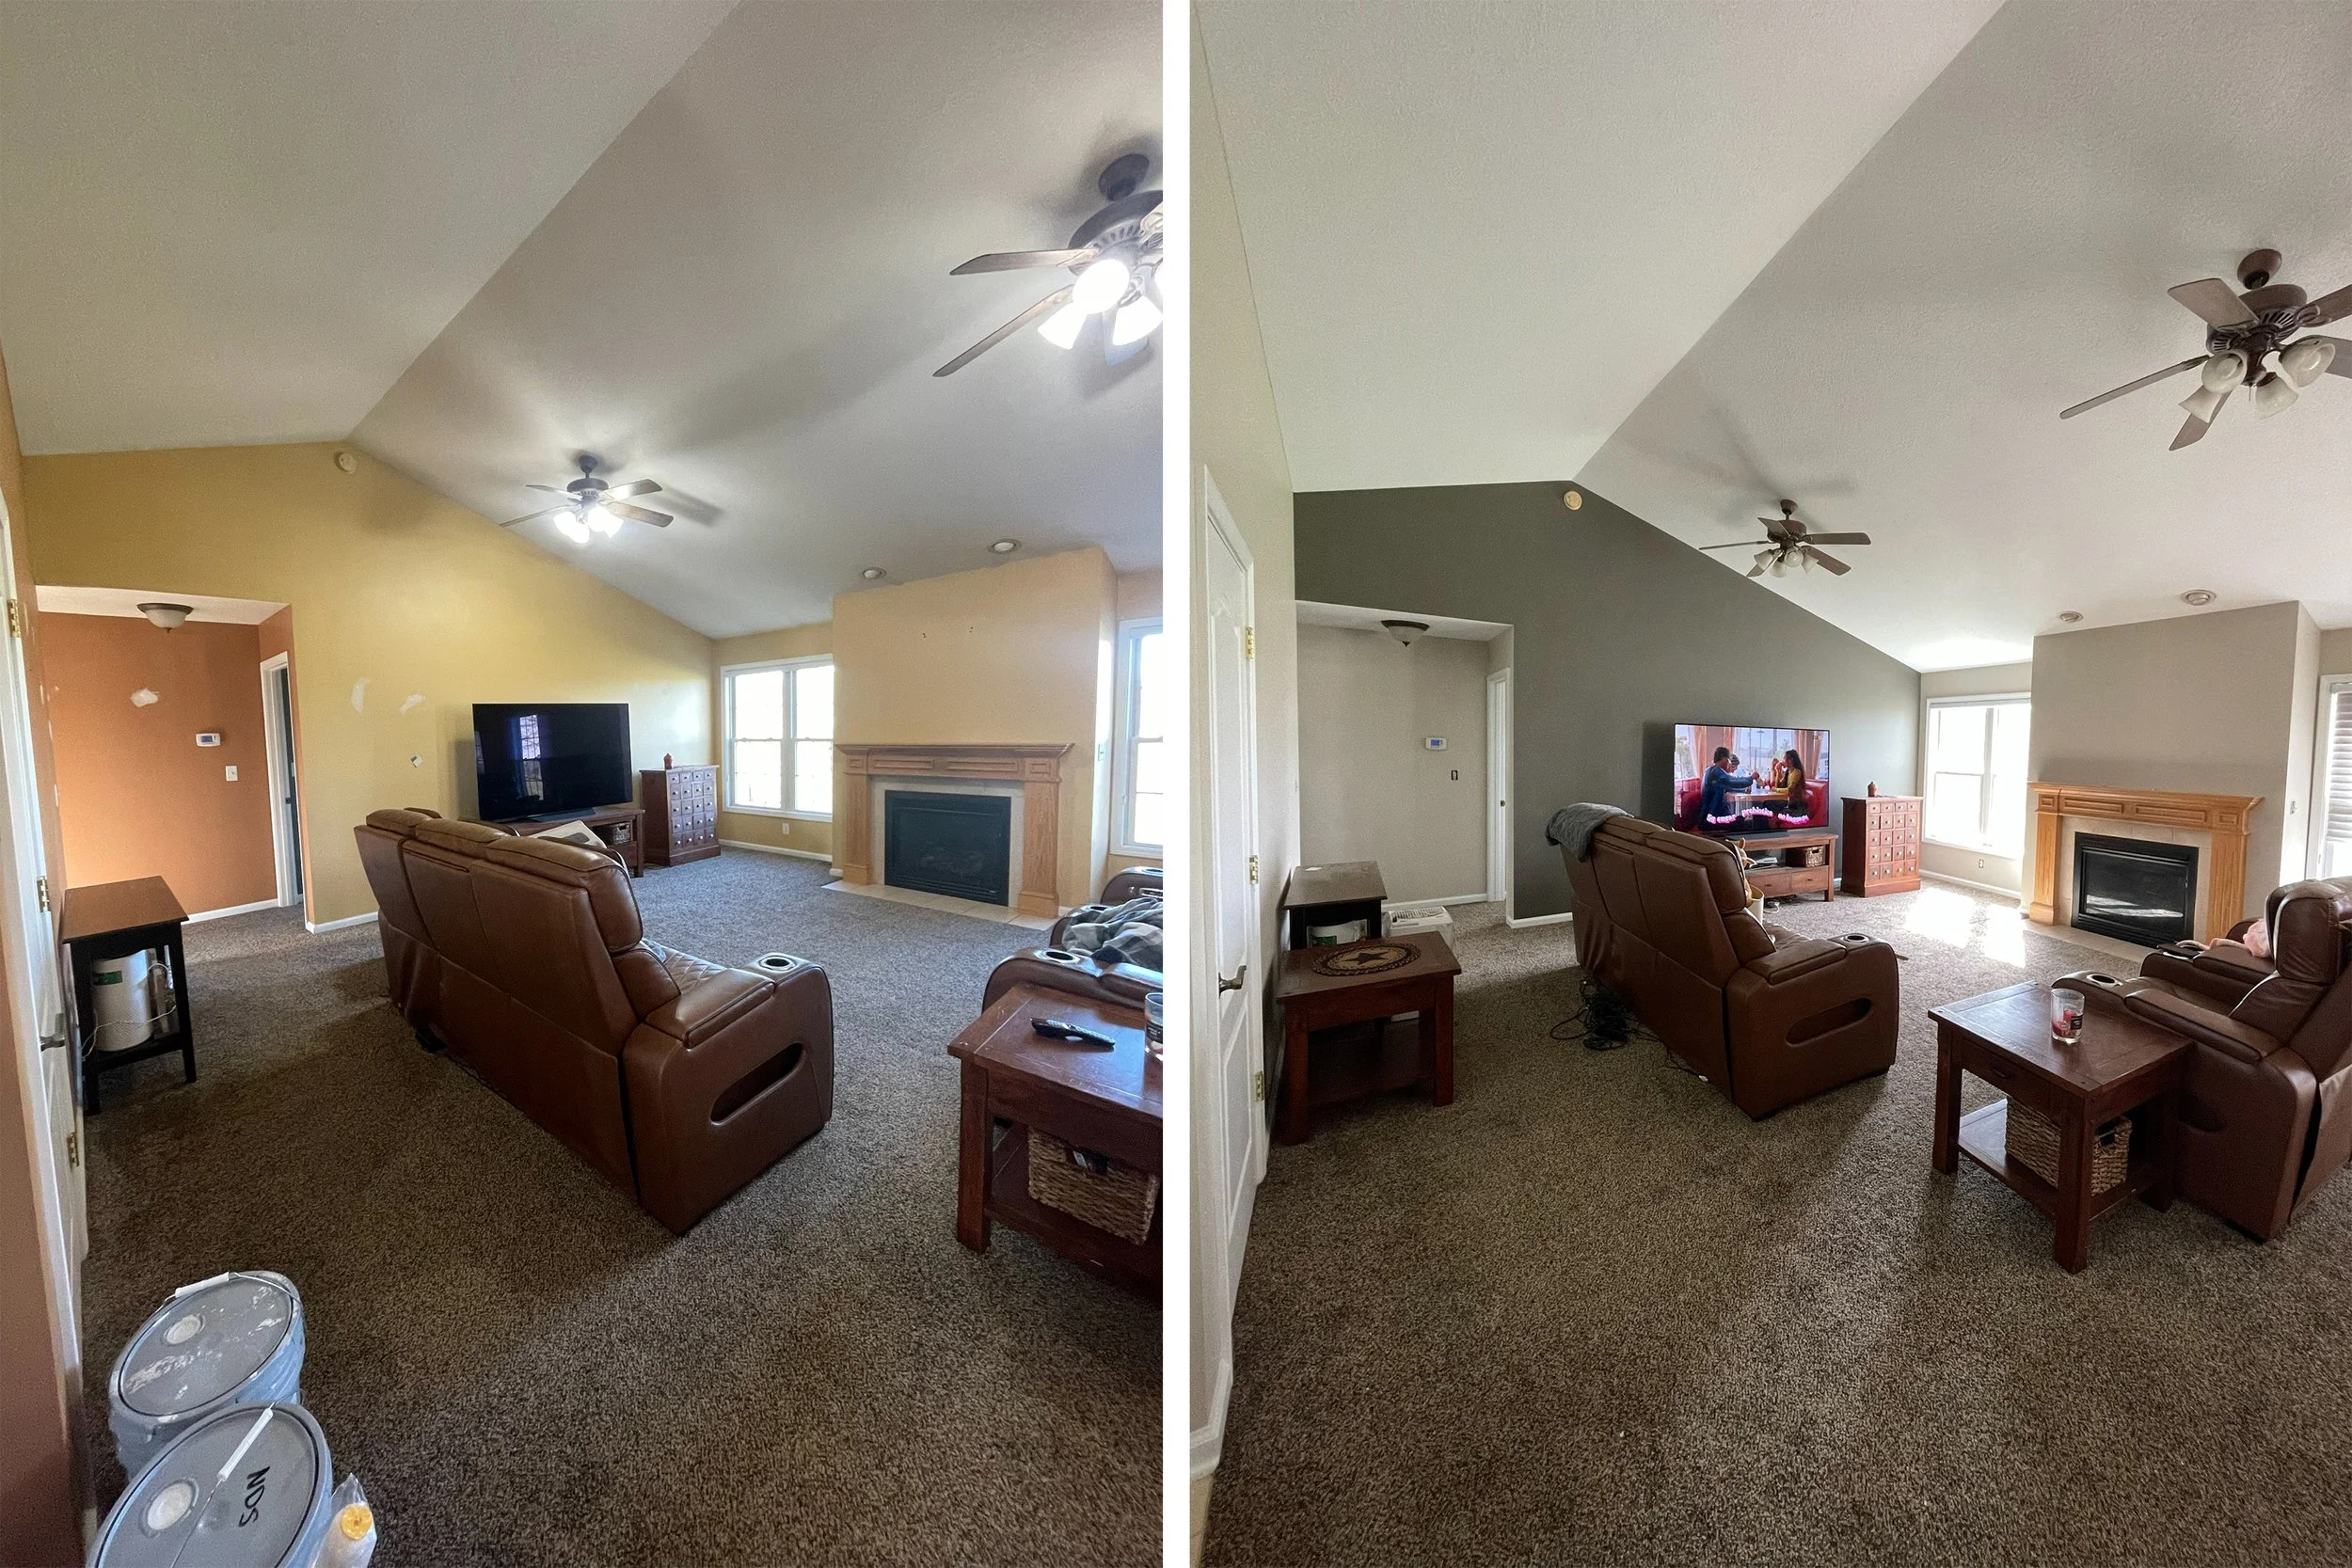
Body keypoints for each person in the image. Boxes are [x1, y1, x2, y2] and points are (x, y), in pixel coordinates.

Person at [1699, 747, 1756, 825]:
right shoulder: (1716, 772)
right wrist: (1751, 778)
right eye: (1728, 760)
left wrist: (1743, 790)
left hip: (1711, 817)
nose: (1729, 763)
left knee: (1746, 821)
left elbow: (1726, 787)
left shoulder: (1710, 770)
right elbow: (1731, 781)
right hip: (1712, 820)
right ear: (1724, 758)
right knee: (1749, 823)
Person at [1771, 748, 1810, 821]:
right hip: (1788, 803)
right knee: (1767, 804)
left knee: (1768, 805)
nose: (1782, 761)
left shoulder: (1796, 772)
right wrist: (1778, 772)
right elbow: (1778, 786)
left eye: (1784, 759)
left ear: (1790, 760)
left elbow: (1789, 790)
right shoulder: (1788, 772)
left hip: (1796, 807)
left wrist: (1775, 789)